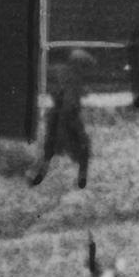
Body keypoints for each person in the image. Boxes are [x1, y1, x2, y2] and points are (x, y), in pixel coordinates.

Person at [31, 49, 92, 192]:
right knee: (83, 148)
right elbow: (70, 99)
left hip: (55, 116)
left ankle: (38, 176)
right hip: (68, 117)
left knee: (50, 149)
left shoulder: (59, 71)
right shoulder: (74, 77)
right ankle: (82, 179)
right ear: (79, 65)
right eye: (84, 66)